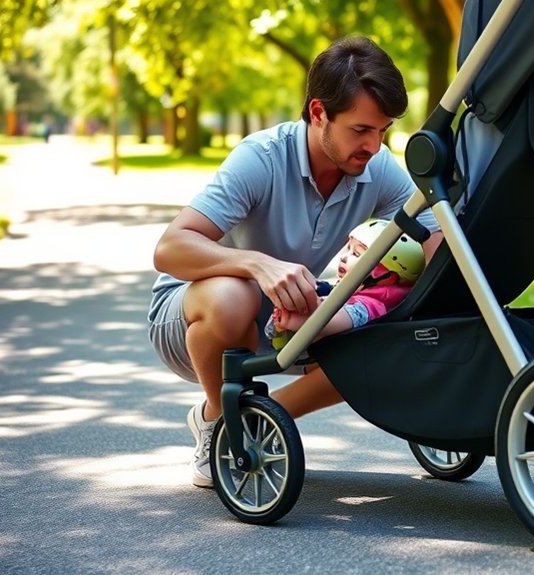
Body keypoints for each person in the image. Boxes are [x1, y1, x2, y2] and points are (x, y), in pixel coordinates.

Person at [147, 36, 441, 488]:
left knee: (374, 336)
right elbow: (169, 249)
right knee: (234, 294)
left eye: (383, 131)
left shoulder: (375, 166)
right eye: (361, 130)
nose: (374, 145)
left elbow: (431, 231)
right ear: (319, 112)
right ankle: (216, 417)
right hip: (193, 316)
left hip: (290, 314)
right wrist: (257, 264)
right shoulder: (260, 159)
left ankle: (254, 418)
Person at [267, 218, 425, 348]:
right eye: (348, 248)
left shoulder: (371, 306)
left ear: (387, 277)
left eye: (356, 254)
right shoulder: (361, 291)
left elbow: (339, 318)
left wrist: (300, 317)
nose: (344, 257)